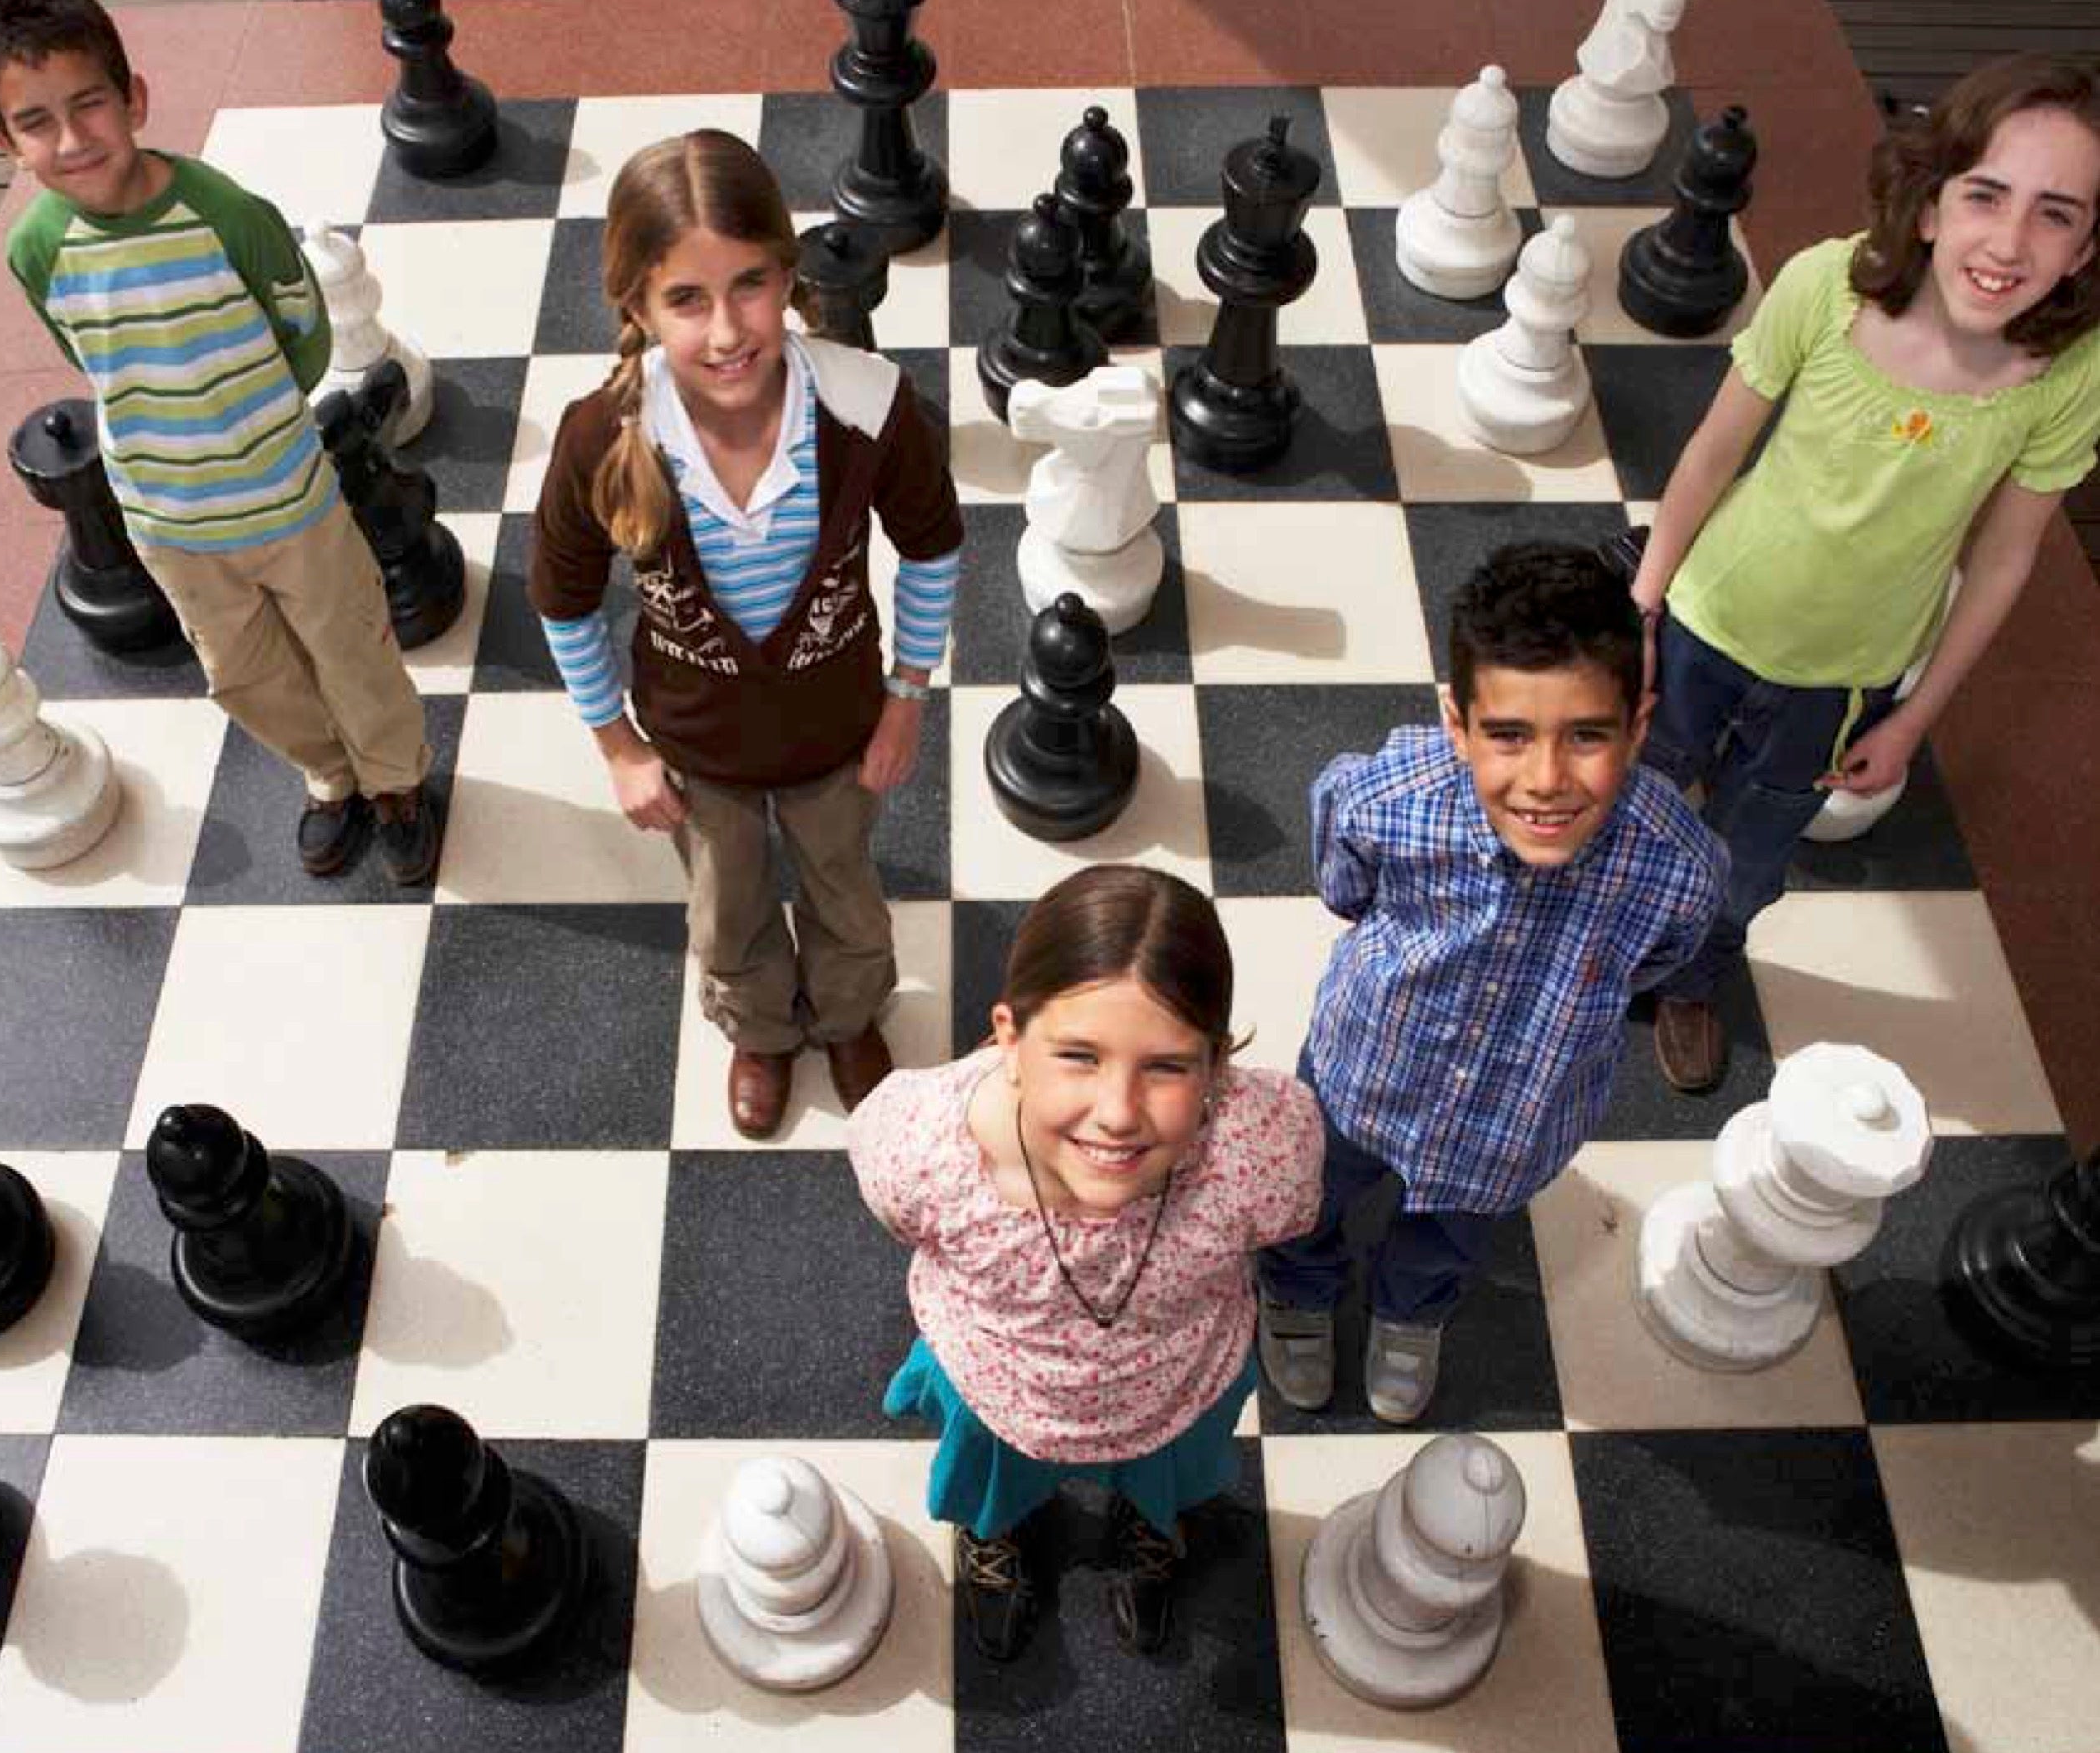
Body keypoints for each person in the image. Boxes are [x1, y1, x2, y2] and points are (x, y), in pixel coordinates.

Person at [1631, 52, 2100, 1093]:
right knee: (1635, 806)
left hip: (1843, 682)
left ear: (2085, 249)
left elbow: (2005, 557)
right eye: (1987, 194)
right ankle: (1590, 942)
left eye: (2056, 214)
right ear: (1931, 205)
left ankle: (1695, 974)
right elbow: (1712, 453)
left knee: (1747, 864)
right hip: (1707, 620)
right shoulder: (1823, 287)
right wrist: (1646, 599)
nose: (2011, 241)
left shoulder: (2072, 372)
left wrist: (1912, 717)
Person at [529, 130, 961, 1137]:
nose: (728, 330)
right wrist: (617, 743)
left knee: (845, 891)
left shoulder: (868, 404)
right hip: (695, 747)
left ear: (787, 274)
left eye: (751, 285)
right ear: (637, 306)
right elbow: (563, 598)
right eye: (686, 299)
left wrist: (907, 695)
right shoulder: (602, 434)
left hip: (840, 723)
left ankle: (851, 1013)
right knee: (726, 909)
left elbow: (933, 548)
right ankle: (761, 1028)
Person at [1257, 543, 1725, 1426]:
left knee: (1451, 1233)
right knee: (1308, 1193)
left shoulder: (1680, 867)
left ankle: (1411, 1311)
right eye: (1508, 732)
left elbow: (1660, 960)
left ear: (1638, 724)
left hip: (1518, 1116)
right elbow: (1345, 883)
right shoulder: (1386, 798)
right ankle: (1295, 1287)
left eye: (1587, 733)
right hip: (1365, 1070)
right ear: (1456, 721)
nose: (1546, 779)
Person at [0, 0, 437, 882]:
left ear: (135, 99)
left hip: (289, 501)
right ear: (2, 141)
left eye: (90, 105)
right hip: (170, 524)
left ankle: (395, 784)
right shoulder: (35, 247)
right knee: (246, 677)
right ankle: (331, 776)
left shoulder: (226, 214)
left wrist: (248, 416)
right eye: (36, 122)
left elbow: (304, 339)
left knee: (354, 651)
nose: (72, 140)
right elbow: (92, 351)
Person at [847, 864, 1322, 1662]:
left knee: (1166, 1486)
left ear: (1217, 1062)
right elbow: (896, 1210)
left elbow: (1289, 1210)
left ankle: (1151, 1530)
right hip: (1001, 1389)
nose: (1118, 1114)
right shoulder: (923, 1148)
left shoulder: (1263, 1146)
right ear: (1009, 1038)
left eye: (1167, 1065)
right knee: (991, 1491)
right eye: (1078, 1056)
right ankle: (995, 1539)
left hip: (1177, 1387)